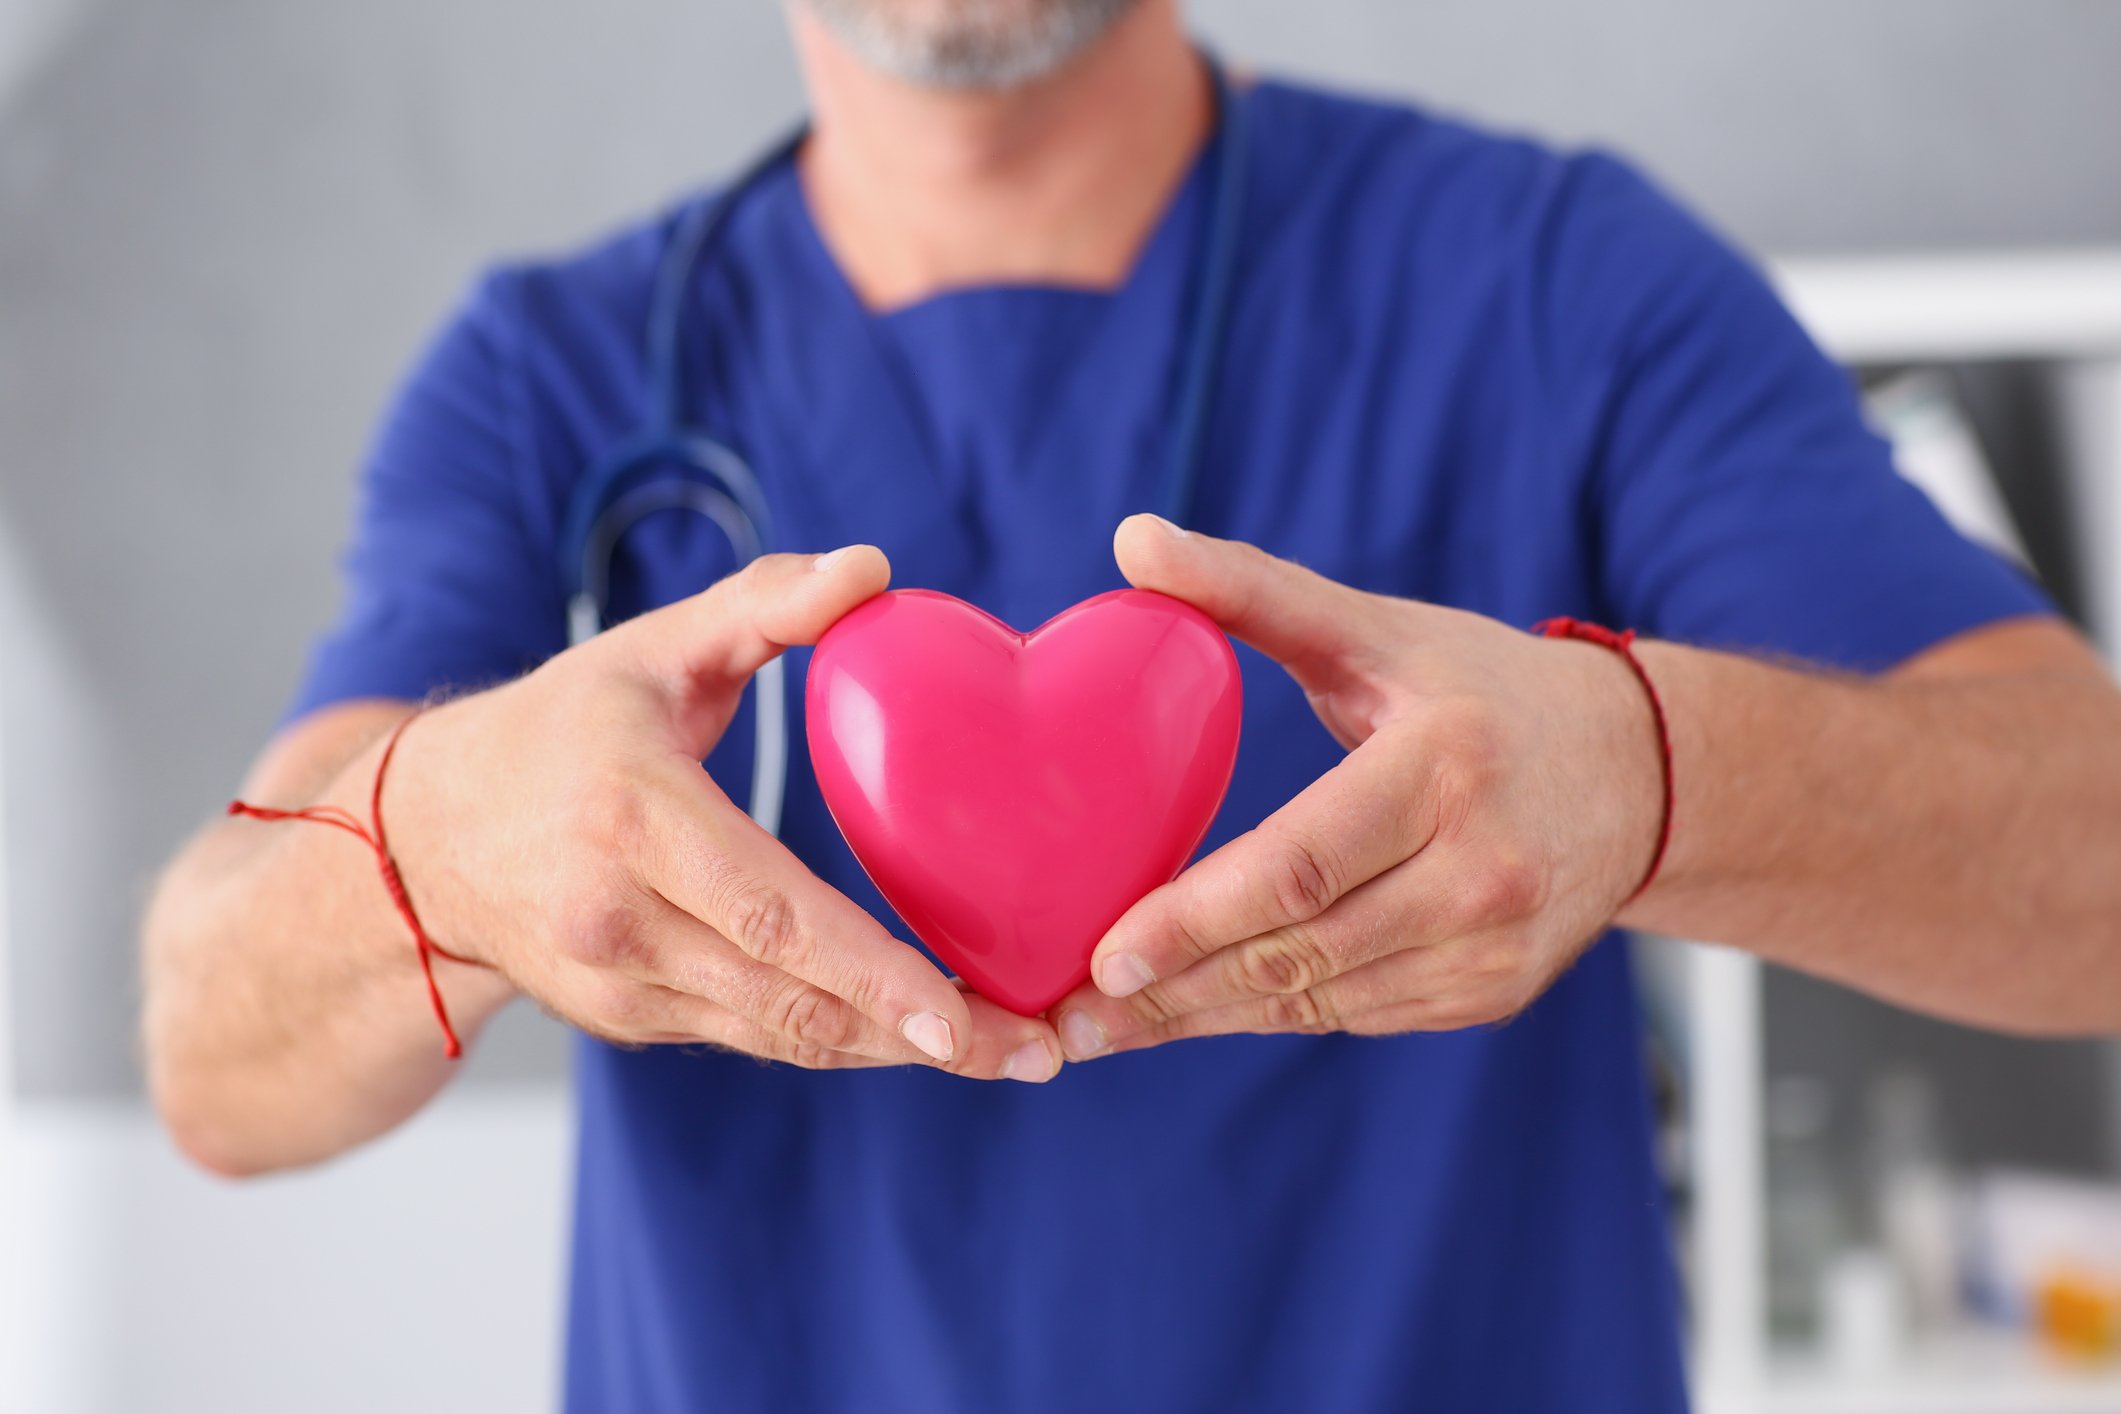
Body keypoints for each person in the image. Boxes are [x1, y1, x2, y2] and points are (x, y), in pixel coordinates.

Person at [142, 1, 2121, 1410]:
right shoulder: (540, 379)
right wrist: (432, 848)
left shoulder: (1557, 284)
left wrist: (1657, 771)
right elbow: (212, 1057)